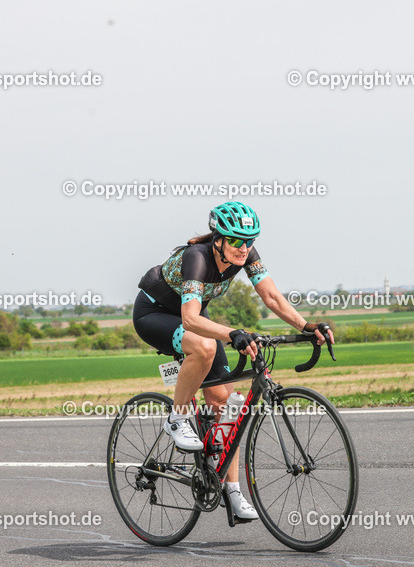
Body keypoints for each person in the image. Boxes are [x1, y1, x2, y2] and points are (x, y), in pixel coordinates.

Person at [133, 201, 332, 521]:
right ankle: (177, 417)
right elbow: (190, 318)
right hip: (155, 313)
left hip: (194, 315)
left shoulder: (246, 256)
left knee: (227, 408)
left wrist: (306, 326)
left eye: (250, 240)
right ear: (219, 238)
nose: (244, 248)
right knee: (205, 348)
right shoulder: (196, 258)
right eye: (237, 240)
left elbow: (271, 297)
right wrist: (234, 334)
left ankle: (233, 491)